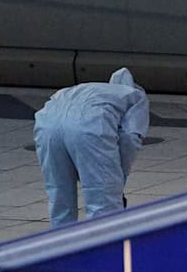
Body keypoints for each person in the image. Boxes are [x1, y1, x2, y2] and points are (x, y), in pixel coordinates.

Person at [34, 68, 149, 227]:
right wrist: (117, 176)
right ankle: (104, 248)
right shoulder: (136, 97)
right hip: (88, 126)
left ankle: (61, 245)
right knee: (102, 203)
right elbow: (130, 137)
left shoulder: (92, 89)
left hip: (47, 125)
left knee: (59, 197)